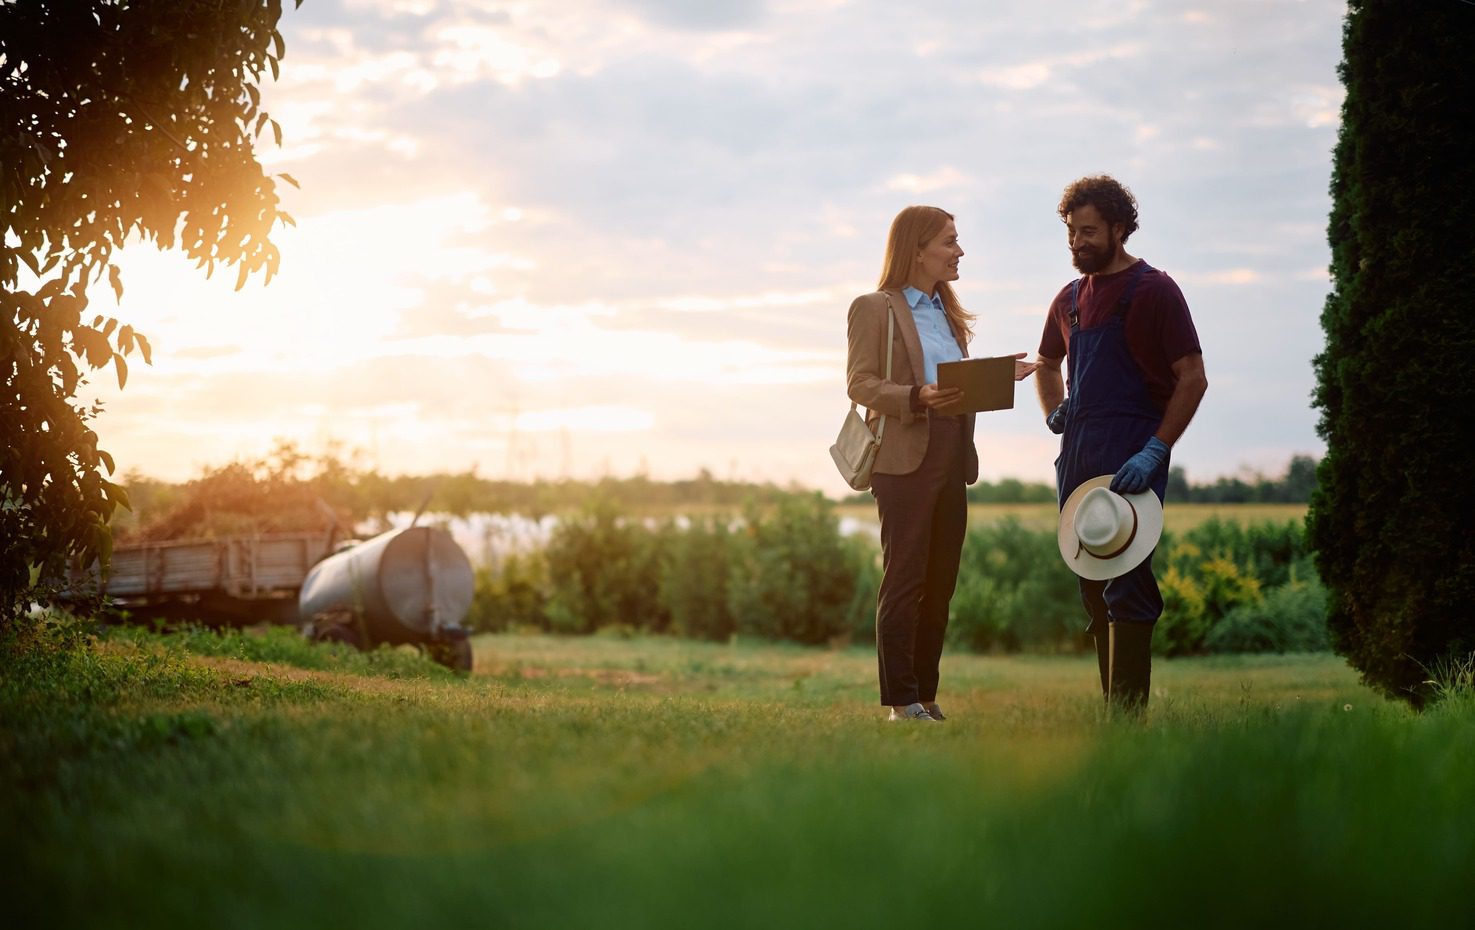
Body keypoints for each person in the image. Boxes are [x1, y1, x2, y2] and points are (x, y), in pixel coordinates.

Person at [846, 205, 1038, 722]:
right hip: (904, 457)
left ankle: (925, 698)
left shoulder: (947, 312)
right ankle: (899, 702)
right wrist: (915, 395)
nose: (959, 251)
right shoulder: (874, 307)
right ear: (916, 249)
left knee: (941, 581)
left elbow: (954, 382)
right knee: (905, 578)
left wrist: (1000, 377)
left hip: (953, 452)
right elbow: (860, 383)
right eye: (949, 241)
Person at [1035, 176, 1208, 714]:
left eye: (1088, 232)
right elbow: (1046, 363)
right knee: (1091, 580)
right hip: (1079, 453)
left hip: (1133, 451)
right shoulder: (1068, 299)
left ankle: (1127, 722)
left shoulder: (1155, 290)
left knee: (1126, 581)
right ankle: (1116, 713)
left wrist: (1157, 448)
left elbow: (1193, 377)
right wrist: (1056, 411)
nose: (1077, 242)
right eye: (1070, 232)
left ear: (1118, 228)